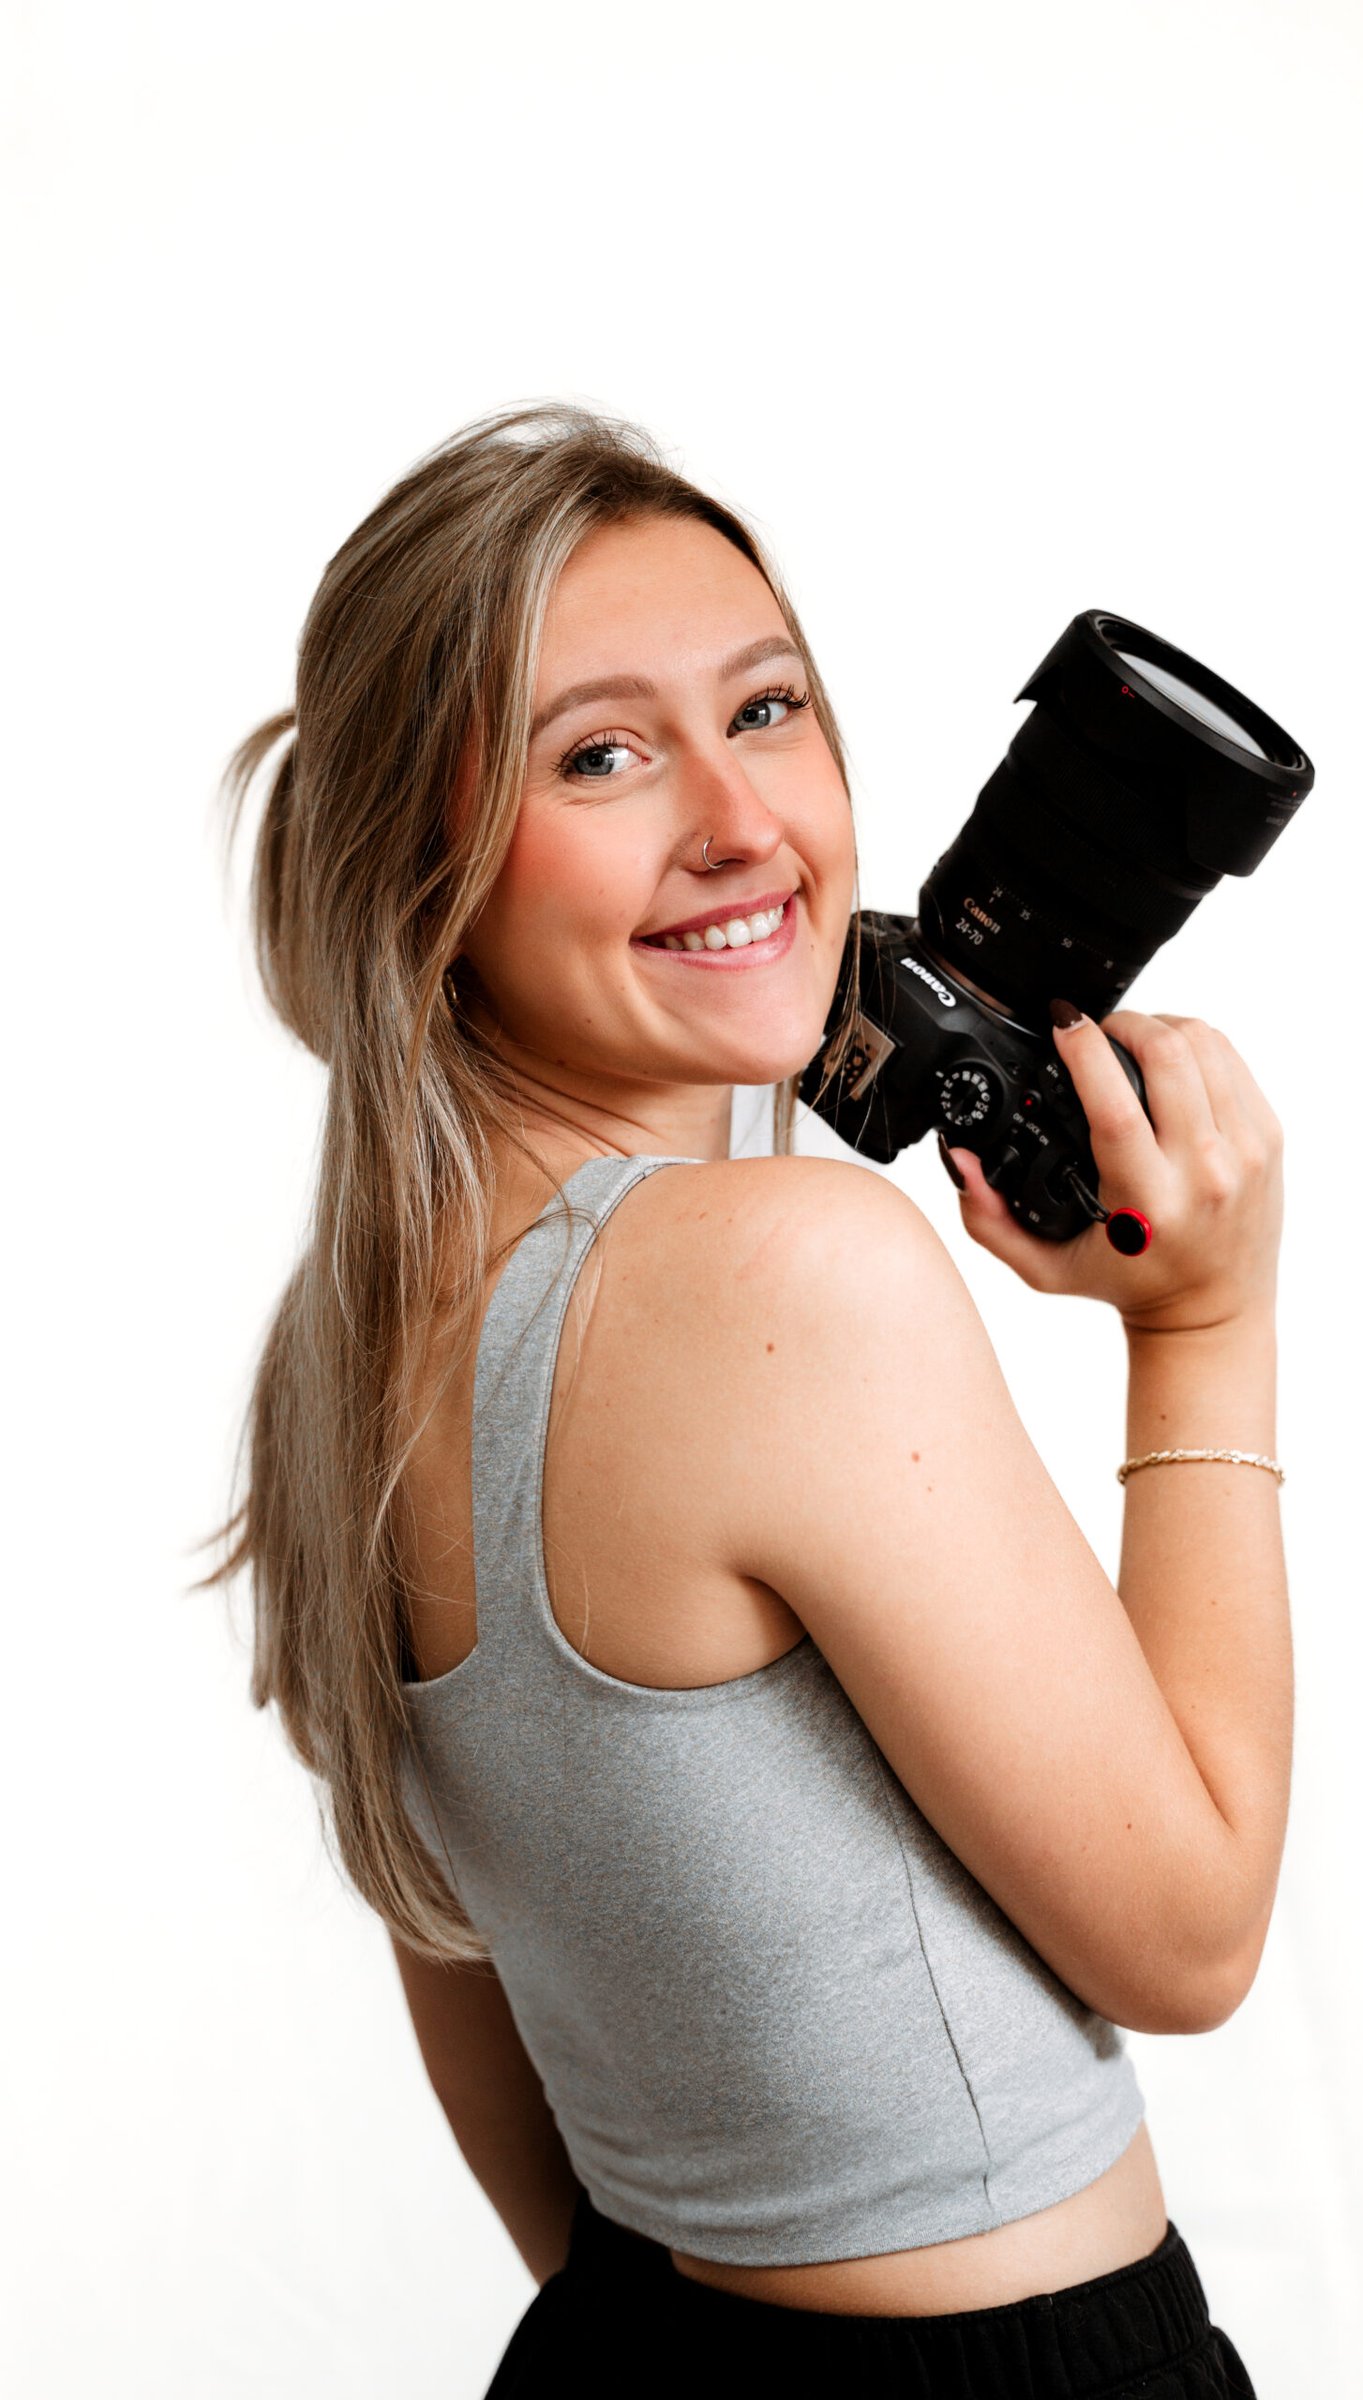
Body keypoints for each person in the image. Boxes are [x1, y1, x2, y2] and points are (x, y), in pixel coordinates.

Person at [200, 400, 1288, 2398]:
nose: (738, 824)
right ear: (416, 858)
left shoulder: (339, 1335)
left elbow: (469, 1972)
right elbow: (1190, 1934)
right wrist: (1201, 1331)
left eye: (766, 709)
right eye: (598, 754)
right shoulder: (785, 1268)